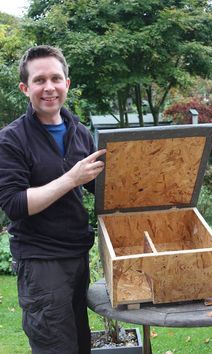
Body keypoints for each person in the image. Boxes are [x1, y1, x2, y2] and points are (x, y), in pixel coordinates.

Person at [0, 45, 106, 354]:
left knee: (79, 343)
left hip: (77, 255)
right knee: (55, 347)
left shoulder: (79, 132)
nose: (49, 87)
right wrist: (71, 178)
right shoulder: (11, 139)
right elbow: (15, 204)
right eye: (39, 80)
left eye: (56, 78)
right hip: (42, 262)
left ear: (67, 83)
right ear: (25, 88)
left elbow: (99, 188)